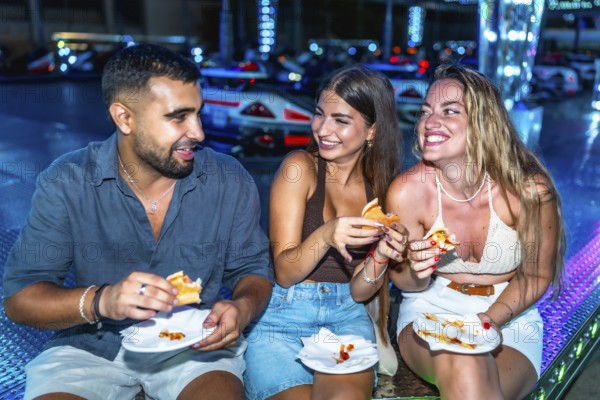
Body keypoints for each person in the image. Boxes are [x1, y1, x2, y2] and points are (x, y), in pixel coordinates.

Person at [2, 43, 273, 400]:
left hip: (194, 343)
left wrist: (242, 307)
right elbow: (21, 299)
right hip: (90, 345)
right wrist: (103, 301)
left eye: (198, 114)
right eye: (179, 117)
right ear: (124, 117)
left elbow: (253, 270)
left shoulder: (227, 178)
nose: (198, 132)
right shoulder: (68, 180)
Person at [387, 63, 565, 400]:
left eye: (449, 111)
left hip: (510, 317)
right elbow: (404, 283)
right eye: (426, 111)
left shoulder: (528, 190)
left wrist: (486, 321)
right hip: (429, 310)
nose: (429, 121)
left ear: (484, 123)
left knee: (474, 384)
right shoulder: (408, 191)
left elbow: (536, 275)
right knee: (465, 365)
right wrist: (417, 269)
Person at [243, 64, 408, 400]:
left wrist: (382, 255)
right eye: (319, 114)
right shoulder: (299, 168)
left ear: (372, 130)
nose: (322, 128)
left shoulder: (380, 190)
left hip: (347, 315)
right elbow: (285, 272)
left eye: (341, 120)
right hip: (282, 317)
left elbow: (362, 291)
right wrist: (328, 233)